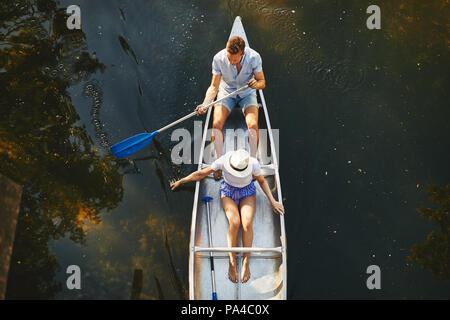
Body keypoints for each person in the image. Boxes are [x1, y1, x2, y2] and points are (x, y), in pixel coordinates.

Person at [170, 149, 284, 283]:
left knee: (247, 224)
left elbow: (262, 181)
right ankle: (232, 262)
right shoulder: (223, 161)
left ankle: (246, 261)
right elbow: (201, 174)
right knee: (235, 223)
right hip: (228, 192)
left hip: (247, 192)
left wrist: (273, 201)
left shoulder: (253, 163)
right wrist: (181, 181)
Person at [195, 36, 266, 180]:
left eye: (235, 60)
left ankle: (252, 163)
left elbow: (262, 82)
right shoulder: (218, 58)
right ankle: (219, 164)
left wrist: (255, 84)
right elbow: (214, 87)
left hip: (247, 93)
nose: (231, 62)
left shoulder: (254, 57)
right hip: (226, 93)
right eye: (229, 58)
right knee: (216, 124)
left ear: (243, 53)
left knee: (252, 125)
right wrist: (205, 104)